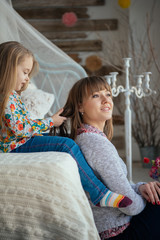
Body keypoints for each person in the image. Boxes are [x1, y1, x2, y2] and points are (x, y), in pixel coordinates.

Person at [0, 41, 132, 210]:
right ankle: (99, 193)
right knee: (66, 144)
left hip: (19, 141)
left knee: (61, 140)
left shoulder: (11, 95)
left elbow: (20, 126)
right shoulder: (6, 97)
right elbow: (20, 128)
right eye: (25, 72)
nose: (27, 78)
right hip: (14, 146)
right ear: (9, 68)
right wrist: (50, 122)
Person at [56, 75, 160, 240]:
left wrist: (140, 187)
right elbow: (130, 206)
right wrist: (149, 198)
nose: (106, 100)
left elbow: (119, 189)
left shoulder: (88, 137)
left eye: (108, 94)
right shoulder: (95, 143)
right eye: (96, 95)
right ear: (80, 107)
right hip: (120, 232)